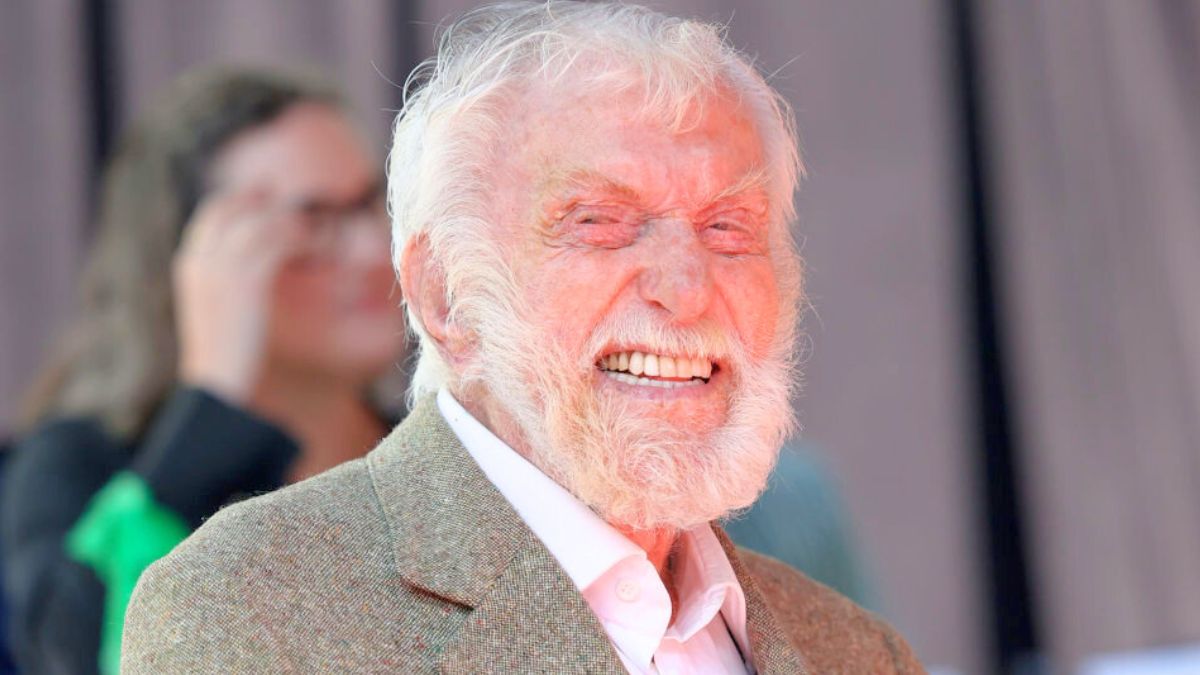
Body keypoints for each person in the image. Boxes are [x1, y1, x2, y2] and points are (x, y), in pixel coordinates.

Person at [123, 3, 924, 672]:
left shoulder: (859, 651)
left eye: (728, 227)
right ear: (446, 294)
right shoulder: (252, 611)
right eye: (600, 223)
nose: (685, 285)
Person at [1, 68, 405, 674]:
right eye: (312, 220)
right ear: (195, 258)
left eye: (372, 202)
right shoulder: (81, 461)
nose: (376, 250)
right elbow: (72, 652)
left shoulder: (439, 445)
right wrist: (213, 394)